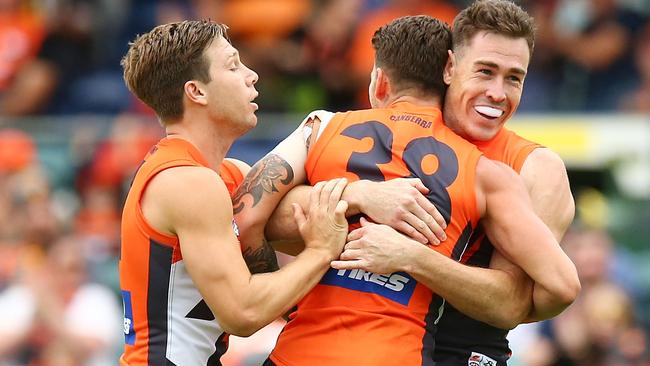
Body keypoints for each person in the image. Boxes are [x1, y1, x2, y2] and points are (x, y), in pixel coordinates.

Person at [232, 14, 579, 366]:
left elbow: (517, 303)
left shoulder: (532, 168)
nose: (497, 93)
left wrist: (413, 258)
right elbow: (265, 220)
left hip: (461, 355)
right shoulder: (378, 137)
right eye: (485, 71)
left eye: (515, 79)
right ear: (450, 67)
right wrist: (359, 196)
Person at [118, 20, 351, 365]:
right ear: (197, 91)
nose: (251, 75)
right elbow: (242, 313)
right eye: (233, 65)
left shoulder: (231, 175)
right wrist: (319, 251)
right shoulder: (188, 181)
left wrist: (359, 200)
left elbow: (303, 215)